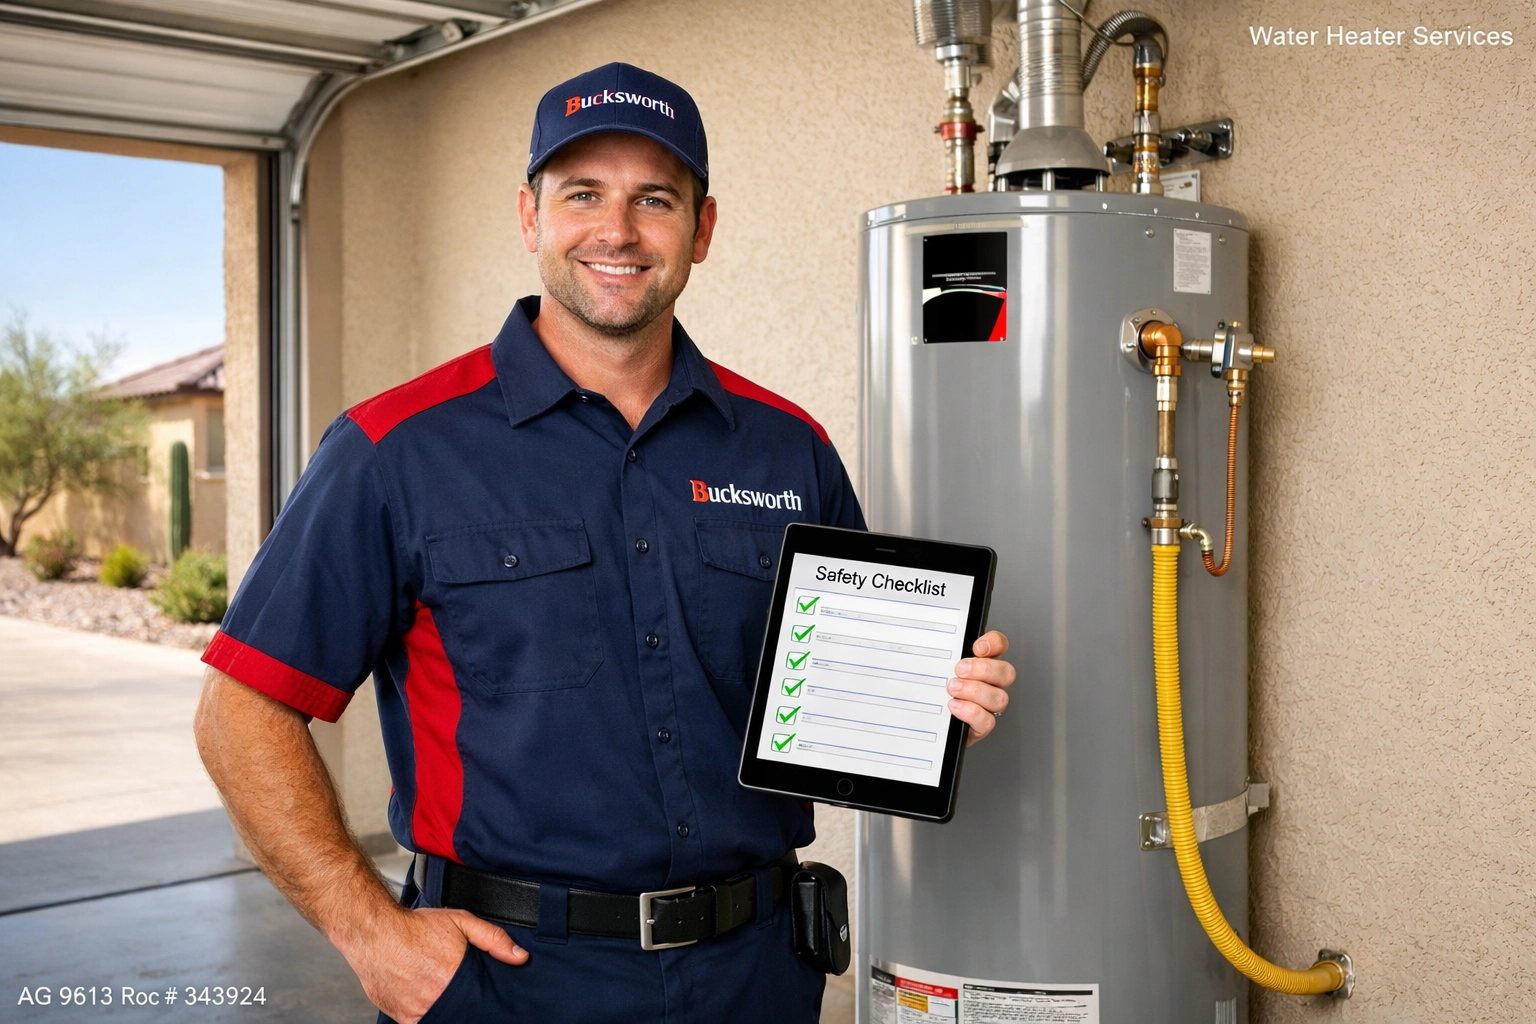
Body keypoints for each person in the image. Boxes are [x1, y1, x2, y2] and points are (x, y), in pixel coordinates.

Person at [193, 62, 1015, 1024]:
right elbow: (240, 712)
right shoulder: (394, 450)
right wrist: (368, 931)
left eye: (654, 199)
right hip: (508, 981)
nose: (617, 231)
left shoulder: (790, 448)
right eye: (582, 193)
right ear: (531, 215)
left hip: (754, 975)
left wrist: (931, 700)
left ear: (701, 231)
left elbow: (836, 695)